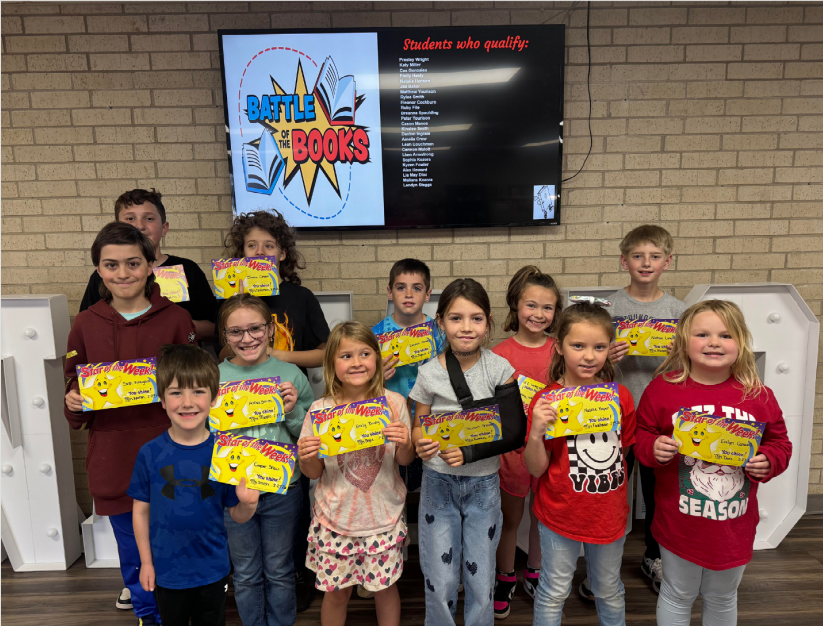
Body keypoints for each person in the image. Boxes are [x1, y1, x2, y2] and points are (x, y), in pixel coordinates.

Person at [64, 222, 195, 626]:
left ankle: (181, 615)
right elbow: (73, 389)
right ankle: (148, 616)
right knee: (134, 553)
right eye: (111, 264)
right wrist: (73, 401)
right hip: (114, 458)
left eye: (133, 263)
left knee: (180, 545)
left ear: (151, 265)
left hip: (174, 456)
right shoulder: (85, 323)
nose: (123, 273)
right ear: (98, 270)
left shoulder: (177, 319)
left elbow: (197, 388)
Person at [634, 299, 791, 626]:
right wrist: (653, 447)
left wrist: (769, 460)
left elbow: (780, 443)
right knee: (677, 594)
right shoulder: (662, 389)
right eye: (702, 334)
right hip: (679, 523)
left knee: (722, 597)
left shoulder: (758, 395)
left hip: (734, 525)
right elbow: (641, 434)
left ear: (741, 342)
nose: (714, 342)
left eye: (726, 335)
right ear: (683, 341)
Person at [217, 209, 331, 609]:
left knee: (284, 557)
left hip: (283, 468)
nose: (261, 252)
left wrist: (280, 358)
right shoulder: (228, 304)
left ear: (283, 253)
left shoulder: (299, 300)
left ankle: (291, 595)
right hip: (237, 472)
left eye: (269, 245)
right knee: (247, 566)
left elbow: (325, 353)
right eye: (252, 246)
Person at [129, 344, 259, 626]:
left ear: (214, 397)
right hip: (167, 571)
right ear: (162, 400)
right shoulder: (149, 453)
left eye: (198, 391)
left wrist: (248, 504)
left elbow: (236, 515)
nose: (187, 402)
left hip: (213, 570)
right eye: (176, 392)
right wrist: (146, 562)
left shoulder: (226, 454)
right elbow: (140, 511)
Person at [410, 278, 515, 626]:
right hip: (438, 484)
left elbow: (514, 431)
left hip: (483, 485)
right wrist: (420, 443)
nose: (466, 327)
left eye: (476, 318)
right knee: (439, 579)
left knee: (481, 579)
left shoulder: (500, 369)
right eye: (456, 318)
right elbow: (419, 427)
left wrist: (469, 453)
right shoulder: (428, 373)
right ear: (440, 322)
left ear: (488, 323)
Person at [524, 302, 635, 626]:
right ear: (559, 346)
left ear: (609, 348)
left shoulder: (621, 397)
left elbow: (624, 453)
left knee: (608, 589)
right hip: (559, 515)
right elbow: (535, 469)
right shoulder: (546, 401)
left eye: (599, 347)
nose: (589, 356)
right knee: (553, 591)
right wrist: (536, 433)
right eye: (578, 346)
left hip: (608, 515)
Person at [297, 321, 415, 626]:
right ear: (331, 363)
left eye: (364, 353)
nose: (357, 363)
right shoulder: (320, 410)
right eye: (346, 356)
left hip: (383, 518)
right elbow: (314, 472)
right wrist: (306, 457)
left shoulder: (394, 403)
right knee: (337, 594)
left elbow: (404, 460)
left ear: (376, 357)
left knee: (384, 589)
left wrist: (406, 442)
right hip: (335, 519)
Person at [217, 294, 315, 626]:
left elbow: (308, 436)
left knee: (279, 569)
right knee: (245, 572)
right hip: (233, 490)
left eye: (255, 328)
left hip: (282, 490)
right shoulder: (214, 376)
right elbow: (201, 432)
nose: (247, 338)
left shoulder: (291, 374)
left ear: (271, 329)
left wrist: (292, 410)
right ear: (225, 335)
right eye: (236, 331)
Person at [605, 224, 687, 598]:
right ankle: (605, 564)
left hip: (660, 423)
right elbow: (584, 361)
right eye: (637, 256)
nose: (646, 262)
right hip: (614, 418)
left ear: (667, 262)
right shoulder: (607, 308)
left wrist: (679, 356)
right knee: (612, 494)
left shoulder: (679, 312)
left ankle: (654, 556)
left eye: (655, 256)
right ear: (624, 261)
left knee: (658, 495)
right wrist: (605, 356)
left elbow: (692, 370)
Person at [491, 266, 562, 619]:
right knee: (510, 518)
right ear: (516, 305)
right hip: (512, 451)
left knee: (541, 517)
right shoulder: (499, 354)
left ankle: (535, 571)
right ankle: (504, 576)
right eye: (531, 305)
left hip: (552, 450)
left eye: (547, 307)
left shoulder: (561, 350)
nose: (538, 314)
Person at [79, 188, 217, 344]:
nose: (139, 226)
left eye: (149, 218)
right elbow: (87, 329)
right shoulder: (104, 277)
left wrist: (170, 323)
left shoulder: (188, 269)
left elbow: (214, 330)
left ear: (164, 228)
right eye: (130, 218)